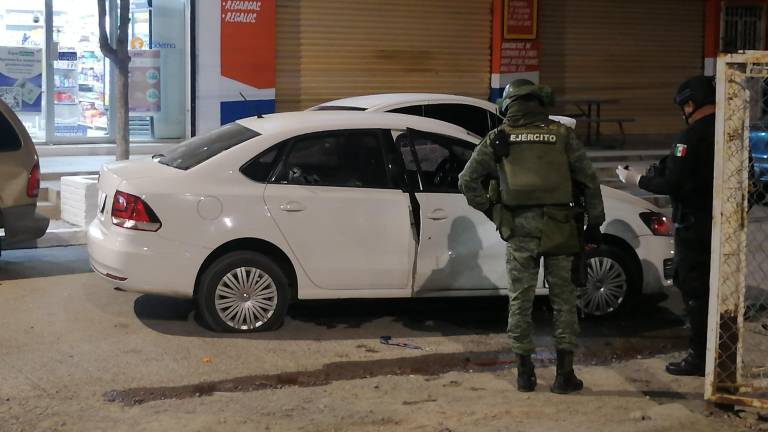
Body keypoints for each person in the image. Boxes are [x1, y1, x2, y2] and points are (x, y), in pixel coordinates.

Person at [458, 79, 605, 394]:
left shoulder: (498, 138)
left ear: (508, 106)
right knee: (564, 300)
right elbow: (590, 180)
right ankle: (564, 376)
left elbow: (467, 181)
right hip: (561, 227)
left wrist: (493, 211)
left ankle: (525, 374)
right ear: (540, 103)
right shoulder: (562, 135)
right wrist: (595, 222)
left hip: (519, 228)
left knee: (520, 299)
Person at [616, 75, 716, 377]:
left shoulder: (690, 137)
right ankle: (721, 351)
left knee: (694, 288)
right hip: (723, 225)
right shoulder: (731, 133)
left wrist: (636, 180)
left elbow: (672, 182)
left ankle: (699, 358)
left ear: (690, 103)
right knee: (720, 290)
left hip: (694, 226)